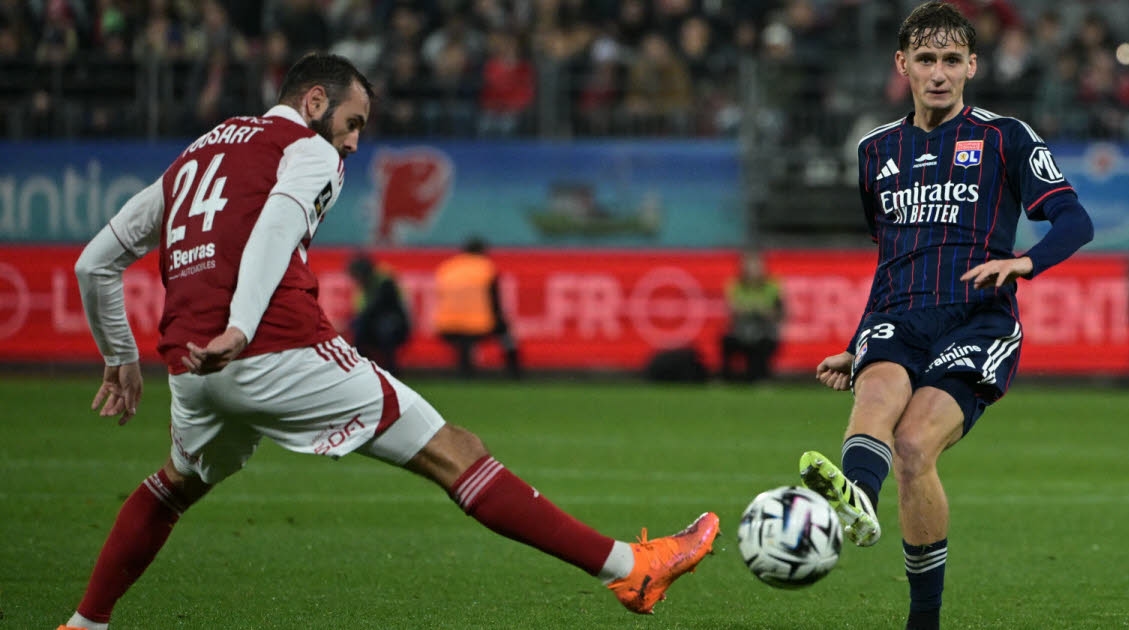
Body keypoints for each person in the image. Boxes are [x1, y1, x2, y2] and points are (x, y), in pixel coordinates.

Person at [62, 52, 718, 630]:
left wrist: (119, 356)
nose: (352, 144)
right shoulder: (308, 149)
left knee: (174, 485)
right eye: (353, 123)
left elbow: (95, 261)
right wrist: (241, 325)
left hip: (191, 367)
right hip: (272, 345)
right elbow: (277, 226)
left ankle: (85, 623)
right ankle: (631, 570)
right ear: (314, 102)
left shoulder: (199, 153)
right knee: (455, 451)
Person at [797, 4, 1094, 629]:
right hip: (901, 312)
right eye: (926, 60)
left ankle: (922, 619)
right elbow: (888, 256)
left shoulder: (1004, 136)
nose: (939, 73)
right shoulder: (875, 150)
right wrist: (857, 342)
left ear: (972, 66)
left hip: (977, 321)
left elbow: (1075, 219)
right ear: (901, 65)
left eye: (951, 60)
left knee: (911, 446)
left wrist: (1025, 264)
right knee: (875, 391)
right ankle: (857, 499)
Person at [432, 236, 521, 378]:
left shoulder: (448, 267)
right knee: (506, 337)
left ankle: (465, 371)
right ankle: (514, 372)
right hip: (477, 323)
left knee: (463, 343)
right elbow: (494, 299)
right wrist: (501, 321)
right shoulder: (485, 267)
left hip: (447, 324)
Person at [720, 250, 784, 383]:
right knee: (726, 339)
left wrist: (763, 312)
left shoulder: (772, 286)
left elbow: (779, 313)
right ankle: (726, 377)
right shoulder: (735, 285)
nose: (754, 270)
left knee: (765, 342)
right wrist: (753, 309)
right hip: (741, 330)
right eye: (750, 266)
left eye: (757, 266)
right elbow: (732, 309)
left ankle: (762, 377)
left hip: (764, 330)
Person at [347, 252, 411, 374]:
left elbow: (379, 307)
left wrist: (357, 320)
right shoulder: (363, 287)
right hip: (373, 324)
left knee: (385, 329)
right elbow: (362, 311)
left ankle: (391, 370)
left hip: (395, 324)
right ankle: (360, 369)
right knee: (359, 330)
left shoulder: (384, 282)